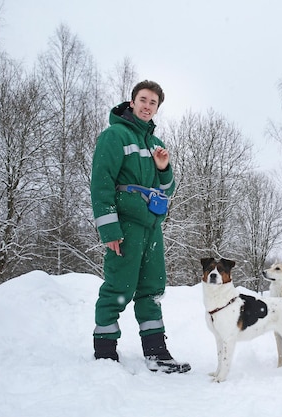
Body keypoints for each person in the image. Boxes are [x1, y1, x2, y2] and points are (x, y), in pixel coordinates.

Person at [90, 80, 190, 373]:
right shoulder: (114, 135)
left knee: (152, 288)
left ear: (157, 108)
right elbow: (101, 183)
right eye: (143, 100)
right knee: (118, 286)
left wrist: (163, 168)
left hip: (152, 226)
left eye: (153, 103)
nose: (148, 106)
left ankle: (157, 352)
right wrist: (109, 229)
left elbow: (167, 188)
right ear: (132, 102)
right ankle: (105, 350)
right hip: (126, 224)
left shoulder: (156, 144)